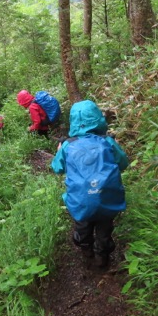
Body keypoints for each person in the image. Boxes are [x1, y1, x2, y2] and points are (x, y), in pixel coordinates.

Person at [51, 100, 129, 268]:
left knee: (83, 226)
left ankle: (87, 252)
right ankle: (102, 256)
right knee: (104, 225)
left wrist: (59, 152)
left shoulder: (67, 145)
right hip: (107, 196)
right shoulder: (107, 141)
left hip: (80, 199)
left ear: (73, 121)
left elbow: (57, 168)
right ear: (97, 117)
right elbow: (123, 163)